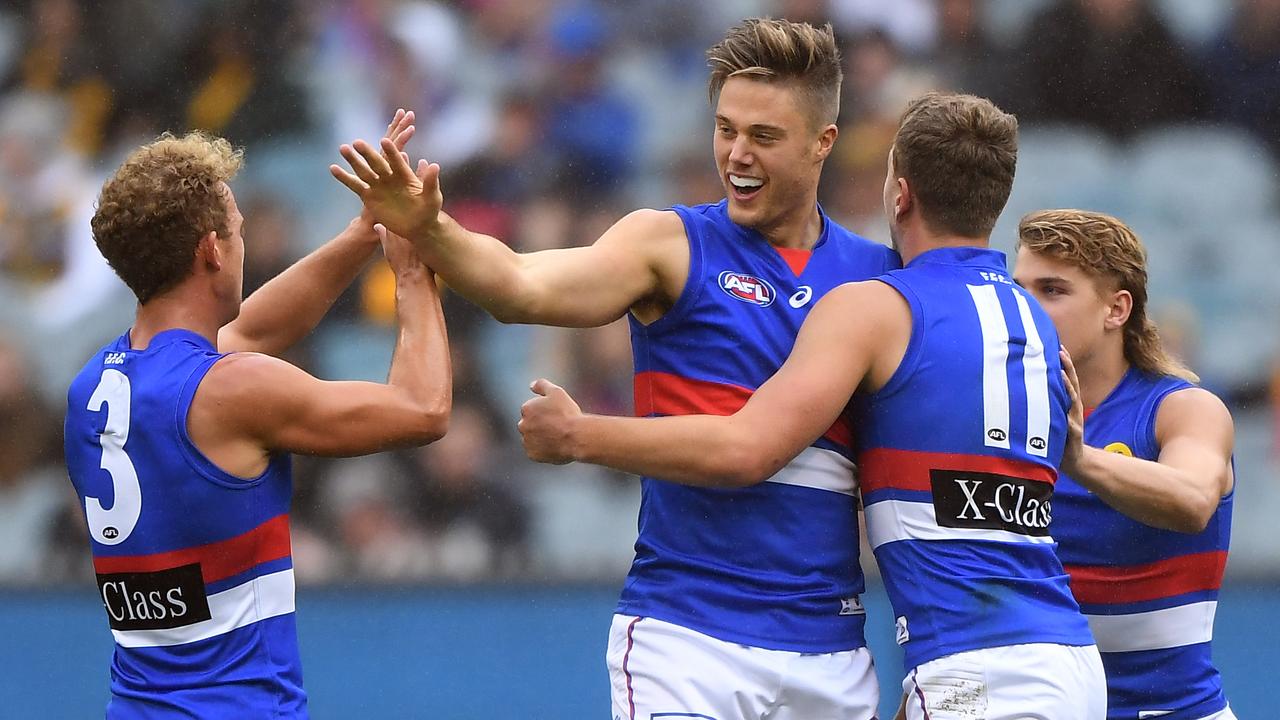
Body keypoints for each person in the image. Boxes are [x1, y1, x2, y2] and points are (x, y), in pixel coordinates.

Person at [331, 18, 899, 720]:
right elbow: (521, 286)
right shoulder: (669, 244)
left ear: (823, 143)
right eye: (725, 130)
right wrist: (431, 228)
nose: (737, 155)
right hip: (688, 642)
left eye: (764, 137)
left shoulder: (880, 280)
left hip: (831, 653)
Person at [518, 92, 1107, 720]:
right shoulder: (1035, 323)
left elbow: (747, 447)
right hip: (1065, 657)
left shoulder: (880, 307)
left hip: (968, 670)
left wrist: (579, 435)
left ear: (900, 194)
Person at [63, 115, 452, 718]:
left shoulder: (91, 386)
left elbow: (252, 330)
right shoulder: (230, 390)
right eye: (238, 231)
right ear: (212, 250)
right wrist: (410, 265)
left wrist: (365, 231)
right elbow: (423, 409)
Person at [1014, 209, 1236, 720]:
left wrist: (1079, 459)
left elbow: (1193, 499)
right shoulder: (998, 413)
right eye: (1018, 290)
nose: (1026, 309)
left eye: (1053, 290)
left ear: (1116, 310)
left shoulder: (1182, 410)